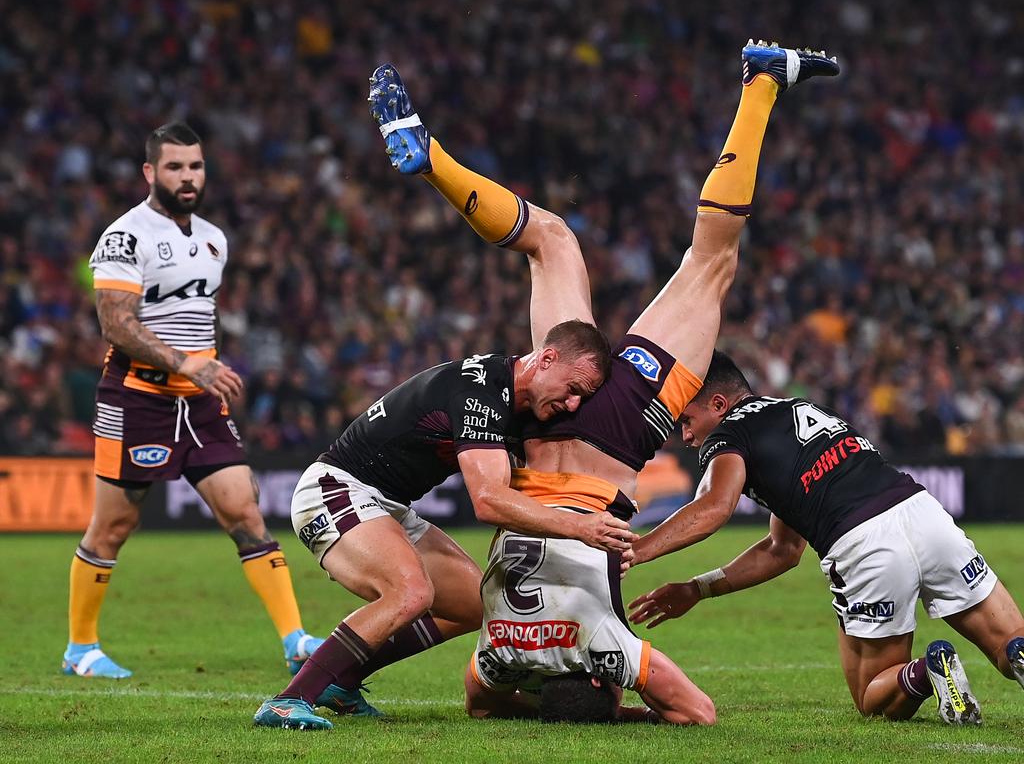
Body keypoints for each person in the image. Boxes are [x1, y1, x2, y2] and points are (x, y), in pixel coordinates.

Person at [360, 43, 838, 723]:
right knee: (551, 238)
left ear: (606, 686)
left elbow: (693, 713)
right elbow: (480, 702)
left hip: (615, 439)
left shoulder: (605, 650)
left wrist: (620, 710)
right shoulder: (495, 657)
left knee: (711, 261)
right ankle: (432, 158)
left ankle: (762, 82)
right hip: (544, 419)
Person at [253, 319, 633, 729]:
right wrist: (580, 528)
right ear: (547, 358)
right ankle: (288, 700)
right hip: (335, 487)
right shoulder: (482, 392)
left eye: (582, 398)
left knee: (474, 601)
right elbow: (488, 500)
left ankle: (341, 678)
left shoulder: (512, 404)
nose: (572, 404)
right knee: (410, 592)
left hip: (387, 505)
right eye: (572, 389)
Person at [627, 351, 1024, 725]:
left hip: (864, 544)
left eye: (687, 419)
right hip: (925, 516)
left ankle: (927, 671)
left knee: (872, 695)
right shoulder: (802, 409)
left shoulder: (727, 435)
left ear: (718, 404)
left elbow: (714, 507)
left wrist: (637, 548)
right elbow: (782, 550)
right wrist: (698, 589)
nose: (685, 434)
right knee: (1011, 642)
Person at [68, 122, 324, 679]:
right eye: (175, 167)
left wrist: (204, 365)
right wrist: (186, 362)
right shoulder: (123, 237)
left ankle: (295, 638)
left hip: (200, 401)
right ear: (150, 172)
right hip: (137, 397)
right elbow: (115, 324)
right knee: (113, 527)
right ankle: (80, 648)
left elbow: (190, 319)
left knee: (244, 510)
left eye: (196, 166)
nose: (188, 177)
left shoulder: (213, 238)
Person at [463, 525, 715, 725]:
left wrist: (634, 714)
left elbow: (699, 714)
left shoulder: (605, 649)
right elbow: (481, 708)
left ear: (598, 679)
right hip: (520, 508)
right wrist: (547, 709)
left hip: (585, 504)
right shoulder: (499, 654)